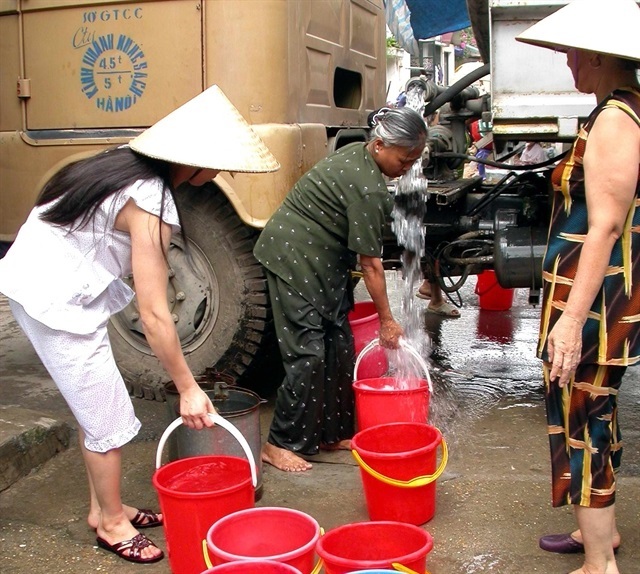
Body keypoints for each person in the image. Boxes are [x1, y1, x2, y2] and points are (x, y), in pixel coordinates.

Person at [0, 85, 279, 563]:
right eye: (218, 163)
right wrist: (188, 386)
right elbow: (153, 313)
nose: (219, 173)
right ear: (193, 158)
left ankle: (105, 508)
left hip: (42, 280)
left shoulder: (119, 165)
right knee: (108, 422)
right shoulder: (149, 199)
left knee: (98, 408)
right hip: (53, 300)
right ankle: (110, 524)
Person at [516, 1, 640, 573]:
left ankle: (599, 564)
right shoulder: (622, 110)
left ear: (595, 55)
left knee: (582, 416)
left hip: (593, 302)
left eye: (570, 53)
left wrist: (569, 319)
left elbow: (605, 226)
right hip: (597, 294)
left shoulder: (616, 118)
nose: (566, 63)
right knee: (595, 410)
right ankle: (602, 535)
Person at [254, 107, 427, 472]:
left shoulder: (359, 157)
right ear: (380, 145)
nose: (408, 167)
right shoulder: (368, 190)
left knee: (339, 347)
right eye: (405, 158)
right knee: (308, 353)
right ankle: (277, 443)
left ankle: (329, 432)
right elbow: (371, 265)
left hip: (321, 261)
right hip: (293, 258)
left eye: (415, 159)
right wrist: (387, 320)